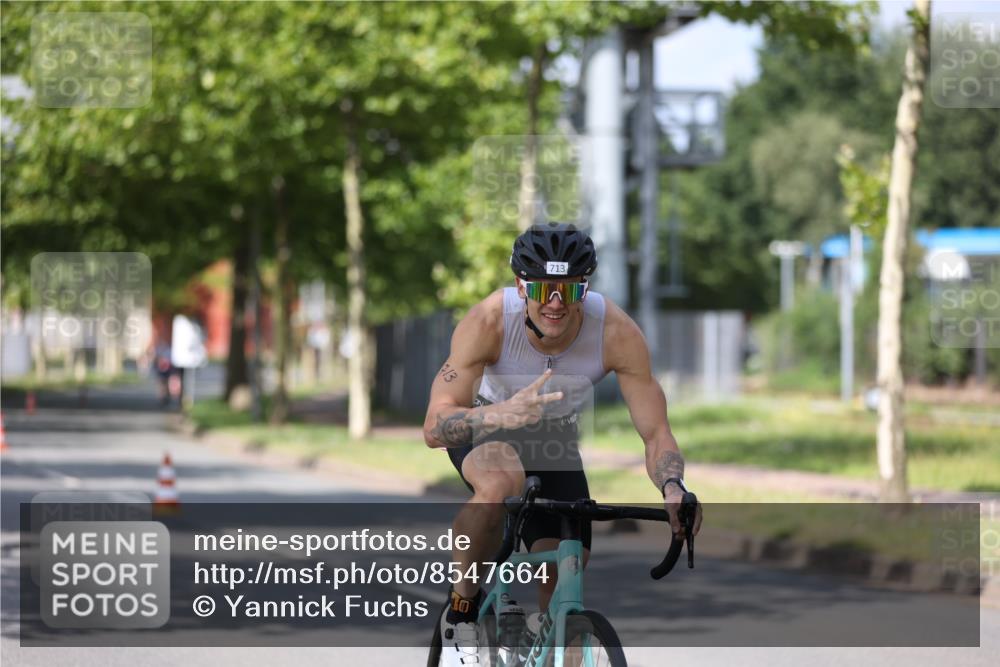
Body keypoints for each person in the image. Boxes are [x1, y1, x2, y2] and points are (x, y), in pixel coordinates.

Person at [423, 222, 702, 665]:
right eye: (545, 289)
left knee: (567, 569)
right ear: (521, 286)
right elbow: (435, 426)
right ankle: (461, 612)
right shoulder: (490, 321)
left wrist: (673, 486)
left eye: (569, 291)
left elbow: (656, 432)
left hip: (554, 437)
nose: (556, 302)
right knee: (499, 482)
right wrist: (499, 413)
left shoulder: (615, 332)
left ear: (583, 289)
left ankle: (548, 639)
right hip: (487, 422)